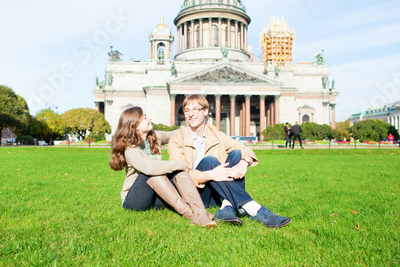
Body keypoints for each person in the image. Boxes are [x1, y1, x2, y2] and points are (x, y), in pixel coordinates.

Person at [168, 94, 291, 229]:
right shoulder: (177, 138)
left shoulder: (214, 134)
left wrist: (244, 162)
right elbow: (178, 176)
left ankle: (227, 206)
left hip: (215, 193)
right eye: (187, 110)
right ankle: (253, 208)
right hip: (195, 196)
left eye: (195, 109)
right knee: (209, 160)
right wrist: (211, 174)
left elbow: (244, 149)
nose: (190, 114)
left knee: (236, 154)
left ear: (205, 111)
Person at [109, 107, 216, 228]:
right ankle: (190, 214)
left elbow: (175, 134)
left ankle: (200, 212)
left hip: (155, 195)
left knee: (178, 173)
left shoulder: (154, 137)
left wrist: (194, 126)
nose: (149, 118)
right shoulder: (131, 149)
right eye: (144, 117)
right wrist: (180, 163)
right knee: (153, 172)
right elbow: (150, 168)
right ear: (135, 125)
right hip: (135, 200)